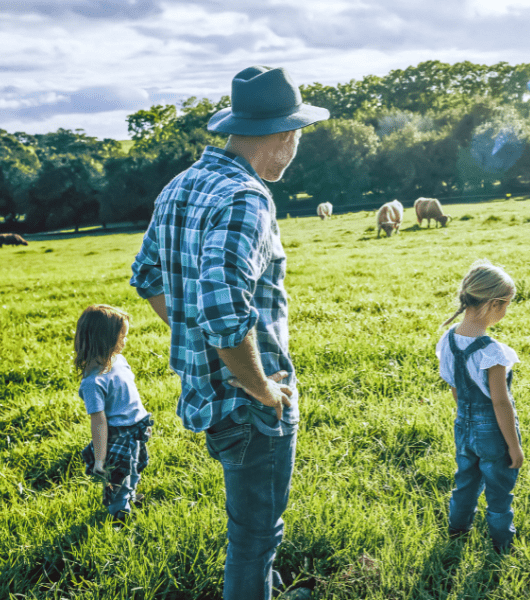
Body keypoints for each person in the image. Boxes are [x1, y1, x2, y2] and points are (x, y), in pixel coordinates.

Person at [130, 66, 328, 600]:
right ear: (287, 135)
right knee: (257, 536)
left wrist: (189, 330)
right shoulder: (247, 197)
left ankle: (258, 583)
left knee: (249, 526)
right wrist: (263, 388)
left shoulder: (182, 183)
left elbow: (146, 274)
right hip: (249, 405)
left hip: (206, 396)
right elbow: (223, 309)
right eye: (299, 135)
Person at [435, 259, 523, 552]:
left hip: (463, 425)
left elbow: (455, 386)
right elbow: (500, 402)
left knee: (465, 484)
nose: (506, 310)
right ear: (493, 305)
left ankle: (457, 532)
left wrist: (467, 417)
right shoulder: (493, 353)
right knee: (499, 491)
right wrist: (513, 446)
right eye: (507, 304)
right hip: (493, 433)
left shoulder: (448, 340)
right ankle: (502, 544)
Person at [75, 304, 152, 524]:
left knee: (136, 467)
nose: (125, 341)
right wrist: (100, 459)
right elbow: (98, 422)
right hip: (119, 434)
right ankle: (119, 514)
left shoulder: (118, 361)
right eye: (122, 336)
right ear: (104, 339)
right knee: (120, 476)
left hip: (137, 427)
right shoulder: (93, 382)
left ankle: (130, 497)